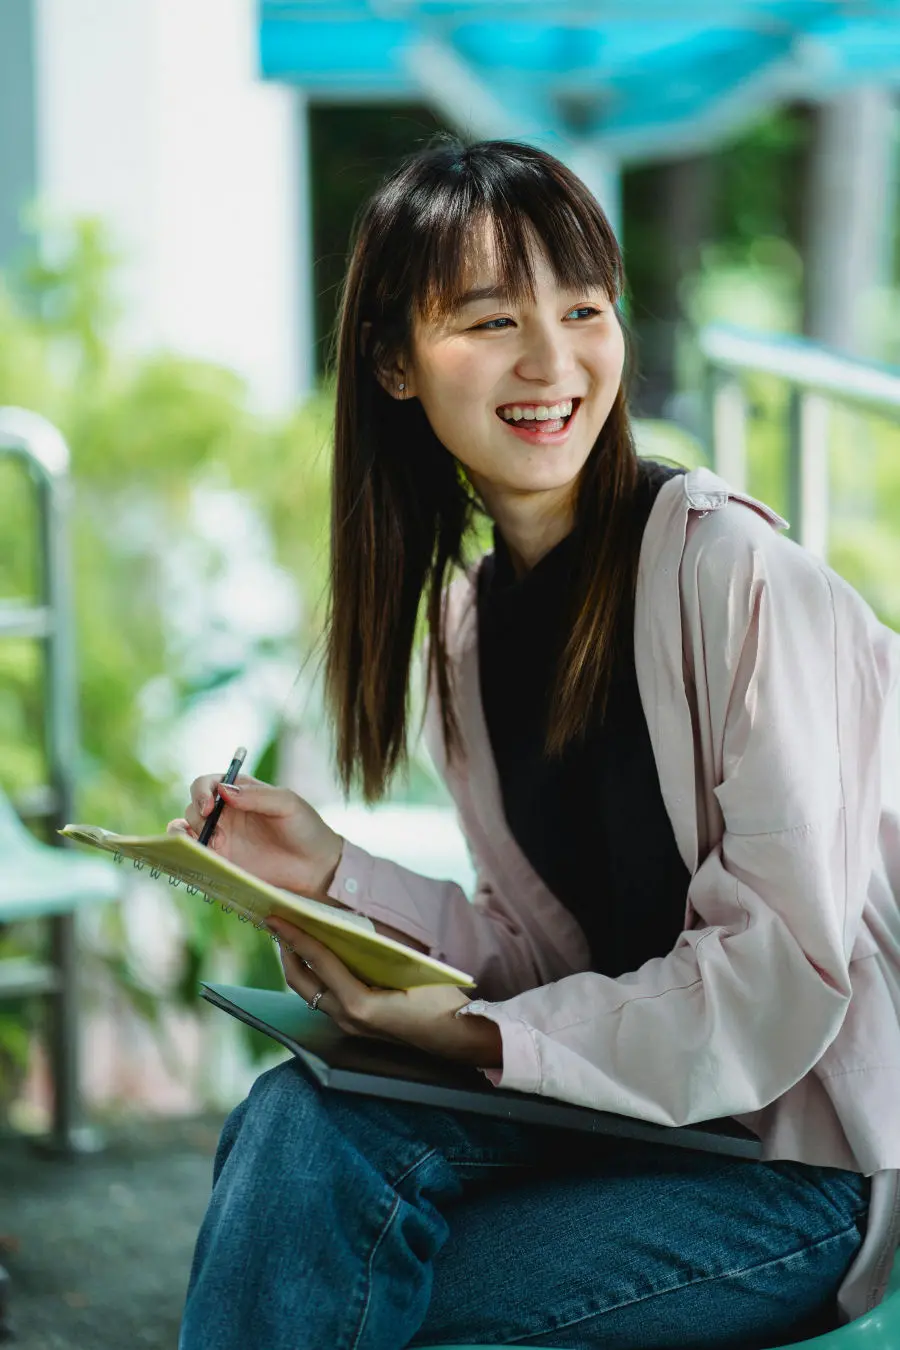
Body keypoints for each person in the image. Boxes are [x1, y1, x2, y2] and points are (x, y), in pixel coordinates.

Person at [173, 140, 900, 1350]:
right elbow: (546, 951)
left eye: (582, 308)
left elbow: (775, 979)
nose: (552, 361)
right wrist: (335, 875)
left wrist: (458, 1035)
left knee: (326, 1273)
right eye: (493, 318)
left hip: (804, 1170)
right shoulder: (469, 625)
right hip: (632, 1119)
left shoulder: (739, 579)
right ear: (395, 363)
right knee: (298, 1124)